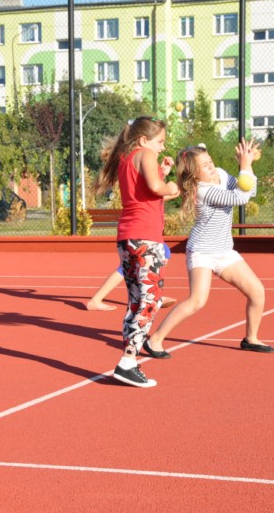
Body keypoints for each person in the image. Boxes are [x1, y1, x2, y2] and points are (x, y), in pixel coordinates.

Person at [144, 139, 274, 359]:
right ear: (194, 175)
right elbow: (239, 197)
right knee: (197, 301)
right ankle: (154, 339)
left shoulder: (221, 174)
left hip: (224, 251)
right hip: (202, 251)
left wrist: (248, 166)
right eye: (204, 166)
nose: (211, 167)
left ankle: (251, 338)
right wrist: (244, 166)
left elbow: (249, 191)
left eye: (210, 161)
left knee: (257, 292)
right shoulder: (203, 190)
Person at [94, 116, 179, 388]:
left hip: (127, 236)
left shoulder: (126, 158)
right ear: (144, 140)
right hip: (146, 237)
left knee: (135, 300)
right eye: (160, 142)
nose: (162, 147)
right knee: (151, 299)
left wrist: (162, 175)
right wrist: (171, 186)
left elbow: (146, 192)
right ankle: (128, 361)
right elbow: (156, 189)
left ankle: (129, 357)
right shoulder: (145, 154)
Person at [86, 243, 177, 312]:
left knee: (129, 265)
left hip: (133, 232)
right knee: (127, 265)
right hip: (137, 232)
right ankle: (151, 297)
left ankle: (151, 297)